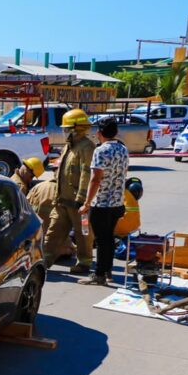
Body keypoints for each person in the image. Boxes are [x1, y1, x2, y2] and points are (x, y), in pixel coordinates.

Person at [43, 108, 95, 274]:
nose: (64, 132)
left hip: (78, 203)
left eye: (66, 129)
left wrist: (82, 199)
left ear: (76, 129)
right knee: (53, 231)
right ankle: (44, 260)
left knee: (83, 233)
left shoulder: (87, 147)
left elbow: (87, 174)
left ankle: (84, 262)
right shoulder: (68, 146)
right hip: (62, 200)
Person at [78, 116, 129, 285]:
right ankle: (107, 271)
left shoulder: (101, 150)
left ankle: (99, 274)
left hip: (101, 204)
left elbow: (95, 179)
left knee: (101, 240)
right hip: (117, 203)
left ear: (99, 133)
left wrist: (86, 203)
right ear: (116, 132)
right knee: (108, 238)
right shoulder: (123, 149)